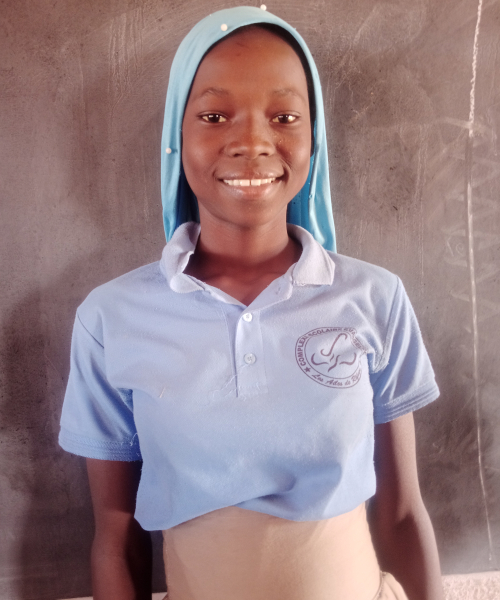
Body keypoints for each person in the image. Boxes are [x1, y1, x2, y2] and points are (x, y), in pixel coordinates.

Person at [59, 6, 444, 600]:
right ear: (177, 138)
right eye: (214, 116)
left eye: (284, 117)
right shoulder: (112, 318)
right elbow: (115, 534)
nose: (252, 143)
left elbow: (401, 515)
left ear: (314, 137)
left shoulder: (375, 297)